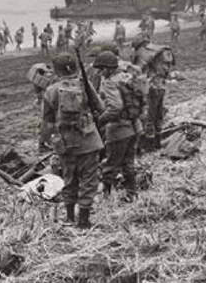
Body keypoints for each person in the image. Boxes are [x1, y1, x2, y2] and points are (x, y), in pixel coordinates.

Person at [42, 53, 104, 229]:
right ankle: (83, 220)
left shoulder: (51, 91)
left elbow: (46, 122)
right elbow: (100, 107)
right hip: (89, 140)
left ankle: (69, 217)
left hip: (65, 143)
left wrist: (53, 140)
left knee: (69, 178)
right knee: (89, 180)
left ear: (57, 71)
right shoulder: (84, 85)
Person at [93, 51, 140, 202]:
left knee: (111, 163)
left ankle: (106, 197)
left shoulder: (109, 82)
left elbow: (115, 107)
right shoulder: (126, 77)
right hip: (134, 125)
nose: (100, 73)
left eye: (101, 69)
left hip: (119, 128)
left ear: (108, 68)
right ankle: (132, 193)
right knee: (129, 161)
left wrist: (100, 120)